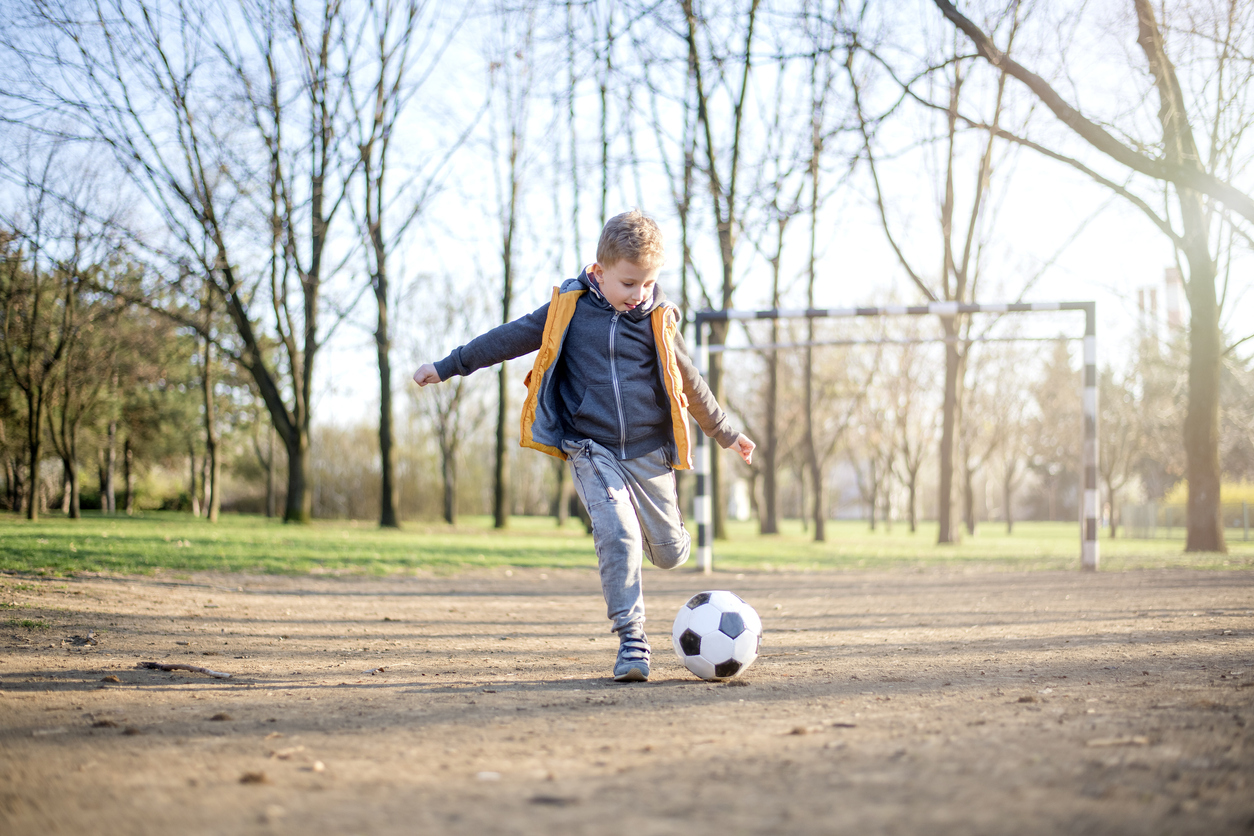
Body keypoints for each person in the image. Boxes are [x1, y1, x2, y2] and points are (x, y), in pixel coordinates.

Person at [413, 210, 755, 682]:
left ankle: (664, 536)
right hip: (590, 446)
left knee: (672, 553)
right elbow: (508, 338)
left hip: (649, 450)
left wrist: (727, 433)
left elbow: (689, 382)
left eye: (648, 284)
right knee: (618, 534)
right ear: (598, 271)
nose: (639, 295)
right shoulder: (568, 309)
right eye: (629, 283)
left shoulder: (655, 318)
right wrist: (450, 365)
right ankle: (632, 640)